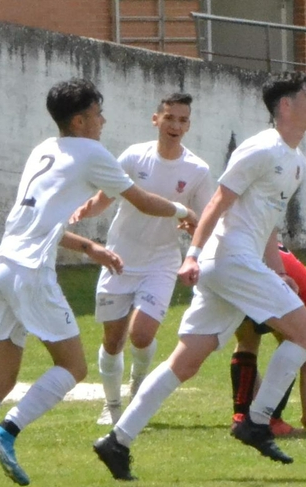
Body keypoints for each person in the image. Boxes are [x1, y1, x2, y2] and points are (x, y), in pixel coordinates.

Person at [0, 78, 198, 487]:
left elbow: (35, 221)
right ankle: (6, 433)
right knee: (73, 367)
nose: (103, 121)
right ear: (80, 119)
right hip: (30, 272)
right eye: (97, 113)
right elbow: (142, 200)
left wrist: (90, 246)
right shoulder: (91, 152)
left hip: (0, 266)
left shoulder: (43, 149)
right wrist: (186, 211)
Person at [93, 72, 306, 481]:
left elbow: (268, 226)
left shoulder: (297, 161)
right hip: (229, 260)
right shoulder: (259, 149)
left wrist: (277, 271)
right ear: (285, 106)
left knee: (185, 361)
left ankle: (117, 440)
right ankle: (256, 420)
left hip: (238, 265)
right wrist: (193, 255)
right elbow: (218, 202)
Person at [70, 92, 214, 426]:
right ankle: (112, 404)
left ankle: (138, 386)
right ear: (156, 120)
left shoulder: (197, 169)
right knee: (113, 339)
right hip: (119, 257)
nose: (175, 125)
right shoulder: (135, 157)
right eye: (170, 118)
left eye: (183, 120)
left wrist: (196, 244)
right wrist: (86, 209)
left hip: (162, 262)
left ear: (188, 125)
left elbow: (204, 219)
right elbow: (107, 194)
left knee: (142, 334)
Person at [230, 243, 306, 436]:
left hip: (233, 267)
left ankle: (240, 417)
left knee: (247, 340)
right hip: (267, 277)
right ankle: (272, 421)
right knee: (296, 347)